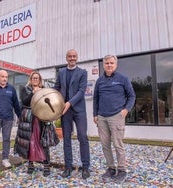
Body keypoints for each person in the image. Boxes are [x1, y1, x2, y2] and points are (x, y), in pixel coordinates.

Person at [93, 54, 136, 182]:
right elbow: (96, 98)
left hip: (117, 116)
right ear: (104, 65)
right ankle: (111, 168)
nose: (109, 65)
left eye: (112, 63)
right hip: (102, 117)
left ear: (116, 65)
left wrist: (126, 110)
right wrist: (95, 114)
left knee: (118, 144)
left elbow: (131, 96)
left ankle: (122, 170)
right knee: (105, 145)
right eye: (107, 63)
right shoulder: (99, 81)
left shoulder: (123, 79)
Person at [53, 49, 90, 179]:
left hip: (78, 110)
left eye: (74, 56)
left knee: (82, 137)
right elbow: (56, 88)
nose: (72, 58)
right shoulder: (61, 72)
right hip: (64, 111)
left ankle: (85, 167)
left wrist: (69, 103)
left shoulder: (82, 73)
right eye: (70, 56)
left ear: (77, 58)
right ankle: (68, 166)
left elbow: (81, 91)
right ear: (66, 58)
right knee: (66, 139)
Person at [14, 71, 51, 177]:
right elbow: (24, 102)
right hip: (28, 118)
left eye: (37, 78)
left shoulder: (44, 89)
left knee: (43, 141)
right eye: (33, 78)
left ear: (40, 80)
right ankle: (30, 164)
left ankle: (46, 165)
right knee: (29, 142)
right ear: (30, 79)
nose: (35, 80)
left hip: (41, 119)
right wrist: (33, 93)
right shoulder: (25, 89)